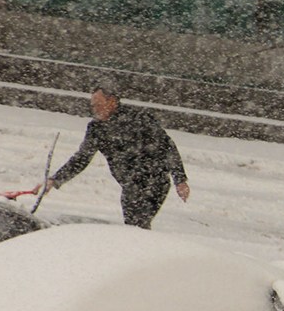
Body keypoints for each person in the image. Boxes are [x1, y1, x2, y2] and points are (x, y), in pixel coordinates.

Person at [37, 85, 190, 228]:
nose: (95, 110)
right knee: (134, 226)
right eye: (93, 106)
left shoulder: (139, 119)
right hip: (130, 185)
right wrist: (55, 180)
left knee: (137, 225)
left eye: (99, 105)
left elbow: (168, 147)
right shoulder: (97, 128)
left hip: (155, 181)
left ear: (112, 101)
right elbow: (82, 158)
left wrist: (180, 179)